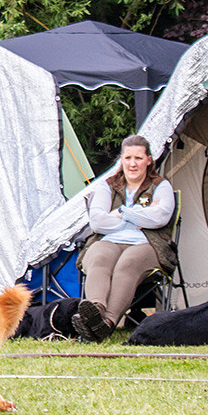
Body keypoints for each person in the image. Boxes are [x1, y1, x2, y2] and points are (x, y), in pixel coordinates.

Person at [73, 135, 176, 343]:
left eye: (138, 158)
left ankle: (108, 323)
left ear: (149, 160)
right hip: (109, 240)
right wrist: (136, 213)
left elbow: (160, 218)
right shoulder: (107, 185)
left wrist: (119, 213)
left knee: (127, 263)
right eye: (128, 158)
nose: (132, 164)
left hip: (147, 243)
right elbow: (98, 223)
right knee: (99, 256)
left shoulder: (161, 185)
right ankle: (96, 311)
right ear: (121, 159)